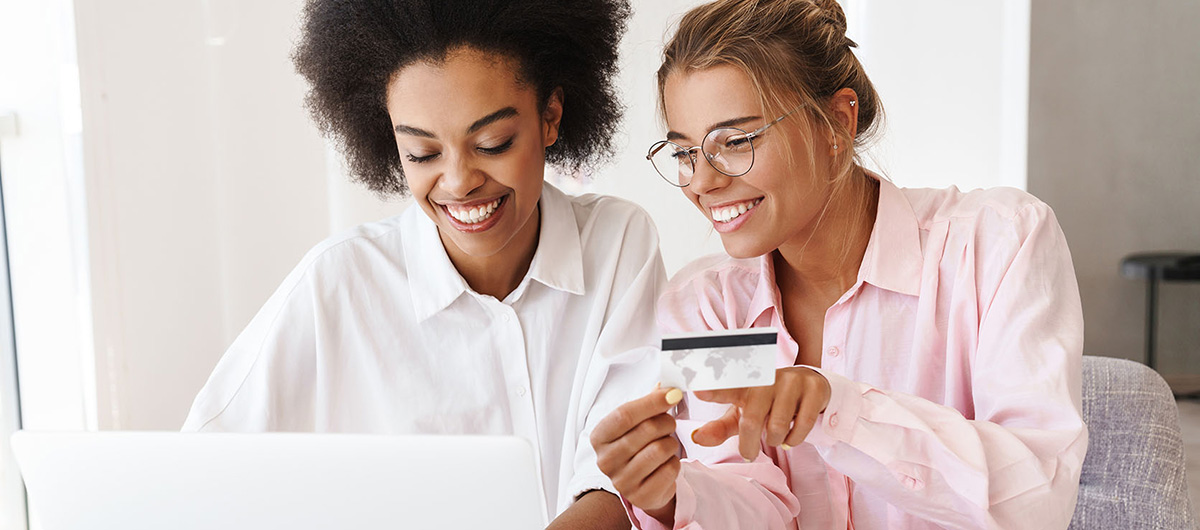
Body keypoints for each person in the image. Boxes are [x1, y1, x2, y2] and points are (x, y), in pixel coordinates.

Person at [590, 0, 1088, 528]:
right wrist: (671, 496)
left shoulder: (996, 244)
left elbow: (1038, 498)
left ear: (836, 121)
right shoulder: (710, 308)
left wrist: (840, 409)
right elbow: (755, 500)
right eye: (685, 153)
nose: (702, 182)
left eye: (735, 142)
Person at [183, 1, 663, 527]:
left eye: (492, 143)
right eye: (421, 153)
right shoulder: (337, 284)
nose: (458, 182)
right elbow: (200, 469)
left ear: (550, 117)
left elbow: (622, 478)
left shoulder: (618, 244)